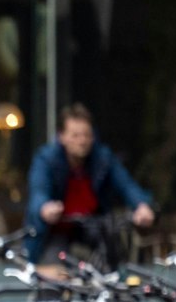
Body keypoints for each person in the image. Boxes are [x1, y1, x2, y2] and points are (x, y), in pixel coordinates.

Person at [24, 104, 154, 268]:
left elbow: (126, 184)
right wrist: (45, 207)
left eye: (86, 135)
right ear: (62, 136)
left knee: (112, 266)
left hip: (92, 229)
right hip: (57, 230)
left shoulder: (102, 158)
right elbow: (38, 191)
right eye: (75, 135)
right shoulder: (46, 159)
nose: (82, 141)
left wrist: (141, 205)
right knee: (54, 275)